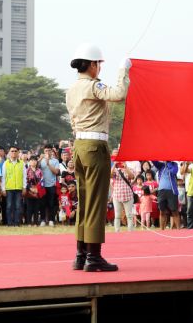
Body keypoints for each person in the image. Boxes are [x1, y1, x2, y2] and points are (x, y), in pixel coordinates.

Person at [66, 43, 130, 272]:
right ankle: (94, 257)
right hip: (95, 145)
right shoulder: (94, 86)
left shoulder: (72, 89)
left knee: (84, 202)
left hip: (80, 144)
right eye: (99, 64)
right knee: (96, 202)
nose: (99, 68)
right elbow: (119, 94)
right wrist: (123, 71)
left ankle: (81, 255)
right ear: (92, 65)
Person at [152, 161, 179, 230]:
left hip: (172, 191)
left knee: (174, 211)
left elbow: (174, 172)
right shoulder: (161, 165)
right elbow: (154, 161)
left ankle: (178, 230)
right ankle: (162, 229)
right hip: (161, 191)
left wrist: (169, 163)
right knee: (162, 211)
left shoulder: (174, 164)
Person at [2, 145, 26, 227]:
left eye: (15, 151)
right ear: (9, 153)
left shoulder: (22, 163)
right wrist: (3, 188)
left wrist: (24, 187)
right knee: (9, 206)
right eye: (12, 151)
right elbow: (3, 177)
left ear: (18, 152)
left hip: (19, 188)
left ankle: (17, 222)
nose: (14, 153)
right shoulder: (6, 163)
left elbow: (24, 176)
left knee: (18, 206)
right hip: (9, 188)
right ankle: (9, 223)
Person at [110, 161, 135, 232]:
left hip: (128, 195)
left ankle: (131, 232)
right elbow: (110, 176)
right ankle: (117, 231)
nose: (121, 162)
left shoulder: (130, 169)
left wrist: (126, 167)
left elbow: (132, 177)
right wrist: (114, 165)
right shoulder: (115, 170)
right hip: (117, 195)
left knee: (129, 215)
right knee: (117, 216)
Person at [39, 144, 60, 227]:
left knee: (51, 203)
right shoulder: (41, 160)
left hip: (51, 184)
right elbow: (35, 168)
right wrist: (40, 160)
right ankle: (43, 220)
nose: (47, 152)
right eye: (46, 151)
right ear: (44, 151)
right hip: (42, 185)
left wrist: (48, 164)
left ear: (52, 151)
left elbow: (56, 172)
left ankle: (51, 220)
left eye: (49, 150)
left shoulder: (55, 161)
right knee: (42, 203)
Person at [24, 155, 43, 226]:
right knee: (29, 208)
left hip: (37, 190)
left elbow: (42, 181)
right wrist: (30, 188)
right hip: (29, 191)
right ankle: (29, 222)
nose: (33, 162)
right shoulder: (26, 170)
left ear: (37, 162)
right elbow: (25, 181)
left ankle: (35, 222)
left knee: (36, 208)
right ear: (29, 162)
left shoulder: (39, 170)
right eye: (31, 160)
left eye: (35, 160)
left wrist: (38, 189)